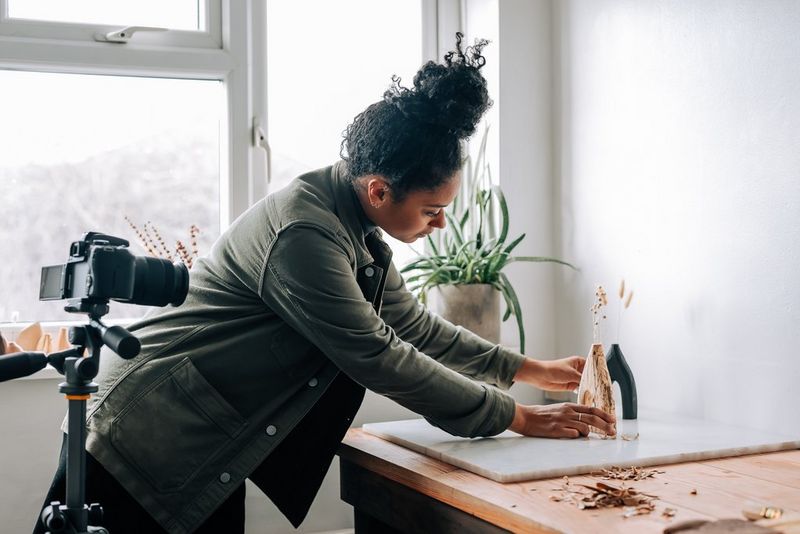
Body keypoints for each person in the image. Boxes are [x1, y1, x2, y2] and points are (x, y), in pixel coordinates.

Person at [35, 34, 615, 534]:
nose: (440, 225)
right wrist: (515, 415)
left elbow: (410, 324)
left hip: (200, 436)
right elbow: (376, 354)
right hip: (149, 432)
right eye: (433, 210)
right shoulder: (304, 234)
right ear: (380, 190)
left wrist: (528, 370)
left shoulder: (353, 227)